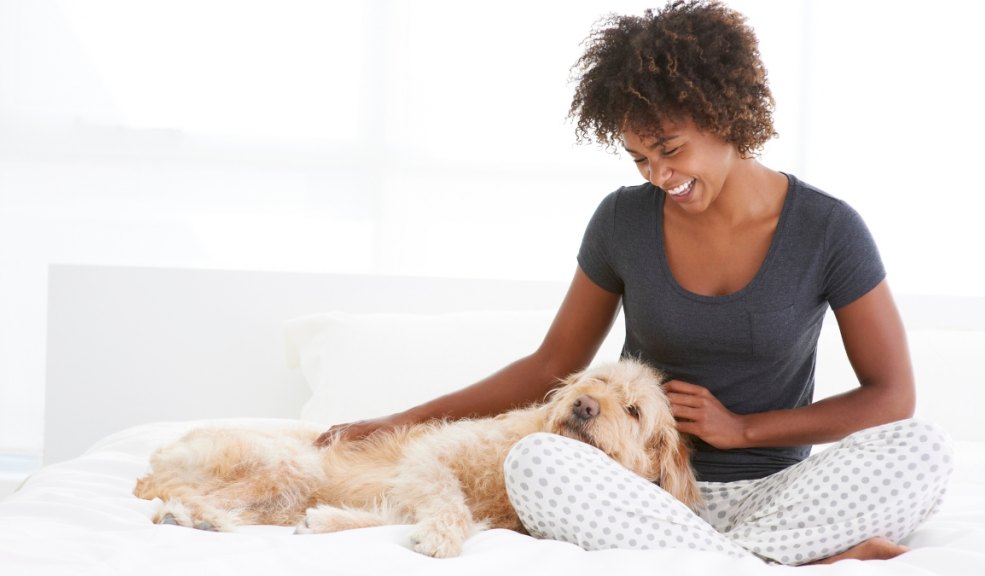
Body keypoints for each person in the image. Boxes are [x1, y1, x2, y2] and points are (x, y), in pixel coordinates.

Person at [314, 0, 952, 565]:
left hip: (774, 490)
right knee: (534, 461)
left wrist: (744, 430)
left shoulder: (828, 229)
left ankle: (735, 554)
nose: (658, 175)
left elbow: (892, 396)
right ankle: (787, 559)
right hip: (631, 487)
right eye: (640, 158)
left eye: (671, 150)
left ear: (725, 117)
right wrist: (402, 419)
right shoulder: (623, 221)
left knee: (924, 452)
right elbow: (552, 364)